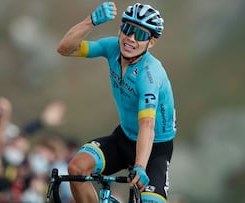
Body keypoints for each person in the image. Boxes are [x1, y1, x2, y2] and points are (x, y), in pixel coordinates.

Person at [57, 2, 176, 203]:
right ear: (120, 29)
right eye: (128, 29)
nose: (130, 39)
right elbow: (65, 49)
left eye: (140, 35)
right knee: (77, 168)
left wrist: (140, 165)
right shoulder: (111, 47)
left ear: (151, 43)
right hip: (124, 137)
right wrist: (90, 21)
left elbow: (147, 124)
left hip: (154, 148)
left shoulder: (150, 74)